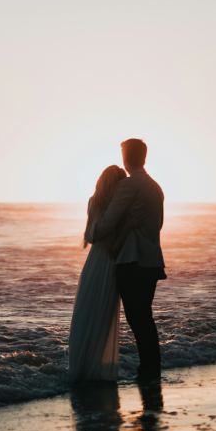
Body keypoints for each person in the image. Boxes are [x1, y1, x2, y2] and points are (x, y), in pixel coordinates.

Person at [92, 138, 165, 380]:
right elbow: (159, 224)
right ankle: (151, 368)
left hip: (132, 262)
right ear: (144, 157)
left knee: (137, 319)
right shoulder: (156, 187)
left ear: (125, 159)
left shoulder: (128, 186)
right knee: (145, 317)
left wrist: (95, 225)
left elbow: (105, 225)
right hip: (153, 261)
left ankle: (148, 370)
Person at [69, 165, 140, 381]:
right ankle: (93, 371)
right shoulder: (112, 211)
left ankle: (81, 367)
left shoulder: (93, 202)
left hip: (93, 263)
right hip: (107, 266)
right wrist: (127, 227)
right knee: (101, 319)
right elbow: (112, 248)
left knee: (87, 314)